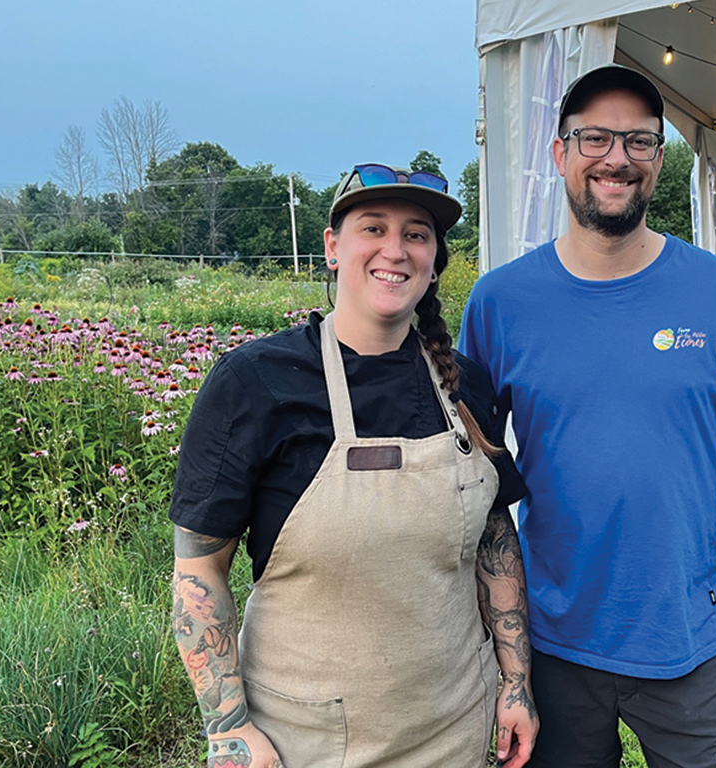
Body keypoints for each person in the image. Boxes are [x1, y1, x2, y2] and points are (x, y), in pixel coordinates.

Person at [459, 65, 716, 767]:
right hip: (551, 641)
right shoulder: (501, 303)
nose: (616, 158)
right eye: (594, 138)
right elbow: (470, 470)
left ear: (658, 159)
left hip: (686, 639)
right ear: (560, 153)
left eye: (638, 141)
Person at [169, 165, 537, 768]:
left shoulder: (465, 385)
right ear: (333, 247)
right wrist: (228, 726)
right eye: (374, 228)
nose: (396, 250)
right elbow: (199, 570)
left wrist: (516, 682)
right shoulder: (256, 383)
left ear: (436, 258)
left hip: (456, 728)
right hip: (306, 739)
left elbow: (495, 536)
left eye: (417, 234)